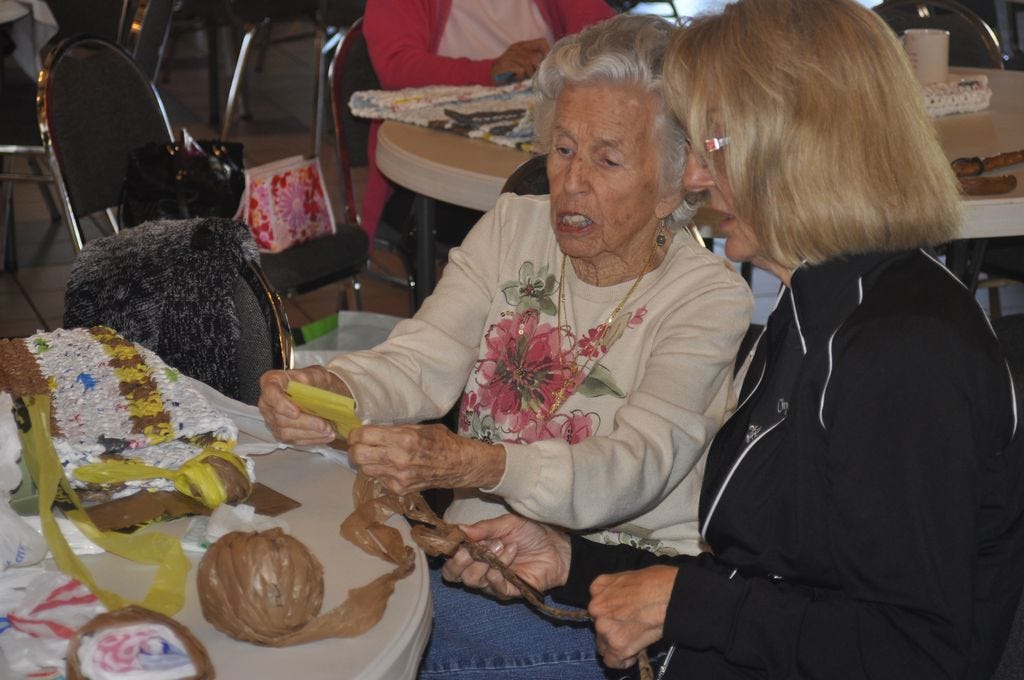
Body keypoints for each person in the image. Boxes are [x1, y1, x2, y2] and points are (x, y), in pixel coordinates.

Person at [443, 1, 1024, 678]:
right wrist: (573, 560)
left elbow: (920, 653)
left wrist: (687, 604)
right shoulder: (817, 306)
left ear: (797, 144)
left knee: (422, 630)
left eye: (713, 145)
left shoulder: (902, 356)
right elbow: (775, 577)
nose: (693, 176)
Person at [259, 13, 752, 678]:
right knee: (317, 603)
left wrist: (479, 465)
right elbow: (424, 357)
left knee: (364, 643)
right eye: (563, 149)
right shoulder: (514, 227)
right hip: (472, 560)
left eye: (607, 160)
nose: (571, 182)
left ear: (679, 179)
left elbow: (632, 466)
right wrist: (337, 389)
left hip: (599, 596)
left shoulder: (707, 298)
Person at [360, 0, 615, 244]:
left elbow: (608, 37)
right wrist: (489, 71)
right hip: (439, 184)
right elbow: (397, 68)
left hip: (541, 169)